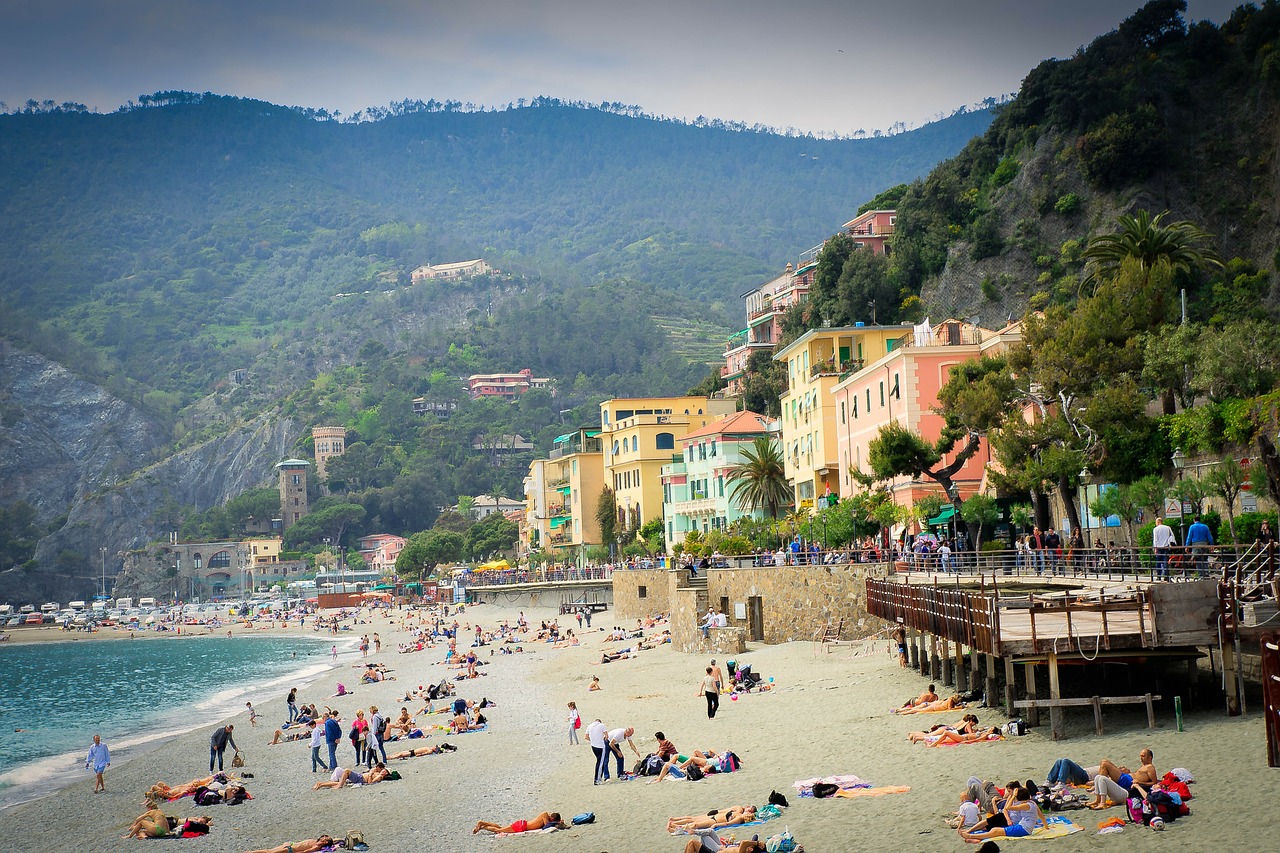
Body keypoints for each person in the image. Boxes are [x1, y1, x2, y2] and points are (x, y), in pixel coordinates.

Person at [961, 785, 1044, 842]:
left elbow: (1008, 807)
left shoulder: (1026, 805)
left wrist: (1013, 796)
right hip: (1022, 826)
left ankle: (971, 836)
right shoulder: (1032, 803)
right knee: (993, 829)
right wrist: (1046, 825)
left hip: (1023, 828)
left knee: (995, 831)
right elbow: (1040, 814)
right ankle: (974, 838)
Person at [666, 806, 757, 832]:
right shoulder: (738, 812)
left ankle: (676, 828)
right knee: (694, 820)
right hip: (714, 816)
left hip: (715, 820)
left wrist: (716, 825)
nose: (748, 811)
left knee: (695, 824)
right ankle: (676, 824)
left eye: (750, 812)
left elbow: (727, 824)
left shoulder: (739, 818)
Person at [472, 811, 566, 835]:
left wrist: (557, 822)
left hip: (522, 824)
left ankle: (483, 823)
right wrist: (557, 823)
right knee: (499, 830)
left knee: (501, 828)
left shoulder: (546, 816)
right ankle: (482, 826)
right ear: (552, 818)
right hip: (521, 826)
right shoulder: (545, 815)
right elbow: (546, 826)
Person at [312, 762, 390, 789]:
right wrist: (370, 771)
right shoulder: (376, 771)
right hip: (359, 776)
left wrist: (370, 774)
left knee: (346, 771)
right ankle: (321, 784)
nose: (383, 771)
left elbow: (370, 783)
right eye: (384, 770)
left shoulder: (379, 776)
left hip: (360, 779)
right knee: (342, 781)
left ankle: (339, 786)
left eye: (385, 771)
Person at [242, 837, 335, 853]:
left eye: (325, 838)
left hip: (290, 850)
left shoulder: (316, 846)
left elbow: (305, 851)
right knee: (269, 850)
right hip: (290, 845)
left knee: (269, 852)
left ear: (326, 842)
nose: (323, 837)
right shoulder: (314, 840)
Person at [586, 718, 609, 784]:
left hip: (593, 746)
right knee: (600, 763)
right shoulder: (602, 725)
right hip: (600, 747)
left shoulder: (589, 726)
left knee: (598, 762)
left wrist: (593, 740)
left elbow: (586, 737)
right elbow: (607, 736)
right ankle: (597, 780)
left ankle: (597, 779)